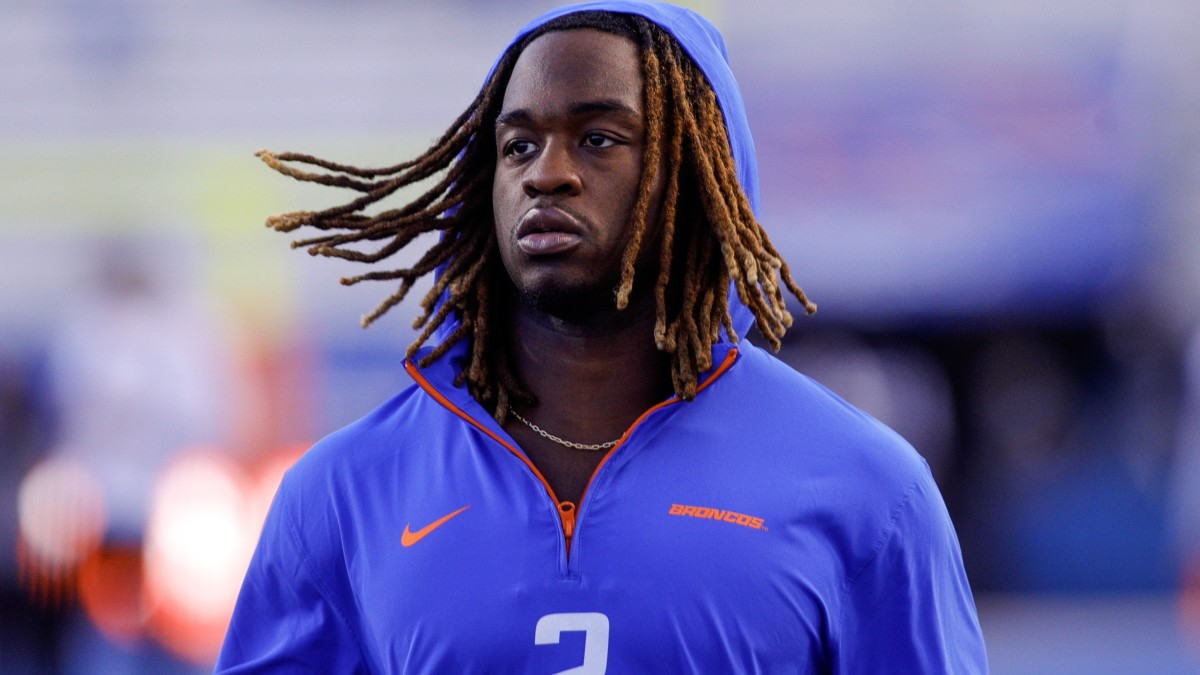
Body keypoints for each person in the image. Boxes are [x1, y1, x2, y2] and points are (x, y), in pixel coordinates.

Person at [217, 2, 988, 672]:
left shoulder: (868, 488)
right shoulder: (342, 493)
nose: (546, 173)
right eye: (518, 145)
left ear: (694, 169)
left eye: (599, 138)